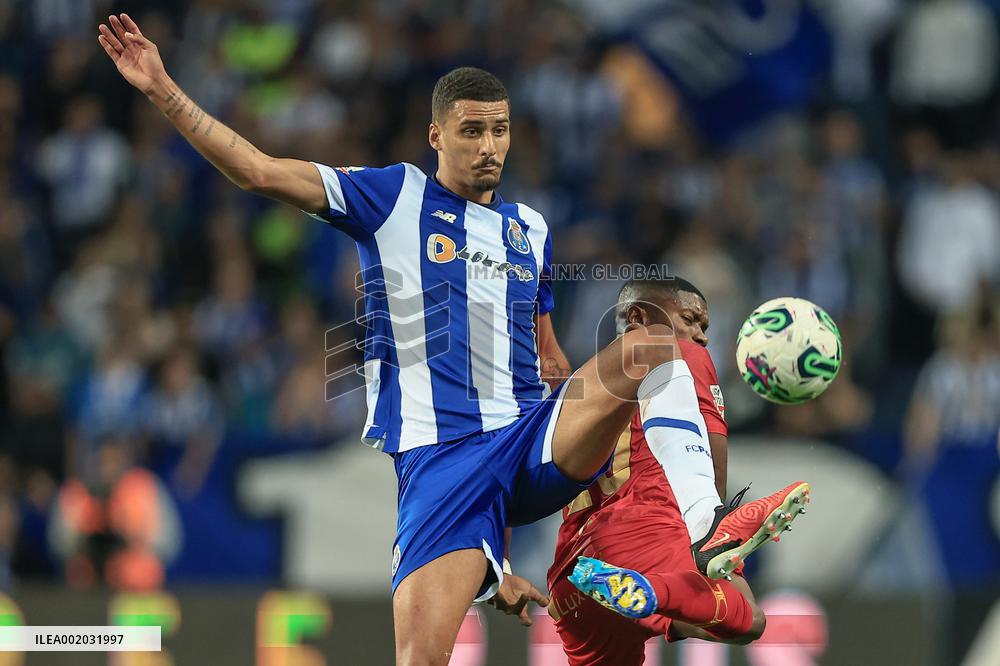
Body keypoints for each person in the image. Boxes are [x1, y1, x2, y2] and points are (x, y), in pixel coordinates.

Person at [98, 15, 804, 663]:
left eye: (499, 130)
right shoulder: (392, 197)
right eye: (472, 131)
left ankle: (697, 539)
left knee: (655, 342)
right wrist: (163, 90)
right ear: (437, 135)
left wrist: (613, 437)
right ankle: (653, 589)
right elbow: (256, 169)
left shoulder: (530, 230)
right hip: (445, 470)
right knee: (422, 659)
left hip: (531, 437)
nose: (489, 146)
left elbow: (550, 359)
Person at [548, 278, 808, 664]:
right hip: (642, 527)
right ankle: (657, 585)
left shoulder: (577, 389)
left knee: (698, 615)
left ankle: (647, 593)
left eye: (704, 328)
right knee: (747, 616)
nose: (700, 336)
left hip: (571, 575)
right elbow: (712, 454)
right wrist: (713, 530)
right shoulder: (680, 354)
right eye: (690, 319)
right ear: (638, 317)